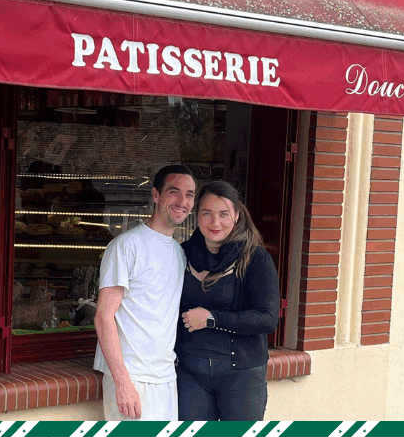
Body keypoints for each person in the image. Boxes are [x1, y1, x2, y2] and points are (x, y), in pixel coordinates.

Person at [94, 165, 196, 420]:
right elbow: (104, 317)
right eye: (174, 192)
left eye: (190, 194)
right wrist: (122, 383)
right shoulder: (125, 246)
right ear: (156, 195)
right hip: (132, 378)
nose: (183, 201)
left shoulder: (179, 253)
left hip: (165, 376)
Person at [176, 180, 280, 421]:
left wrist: (212, 319)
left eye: (223, 214)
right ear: (197, 215)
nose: (215, 222)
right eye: (207, 213)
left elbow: (267, 318)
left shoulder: (254, 258)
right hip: (191, 372)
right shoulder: (182, 254)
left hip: (241, 374)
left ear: (236, 216)